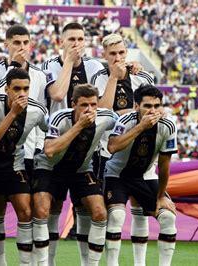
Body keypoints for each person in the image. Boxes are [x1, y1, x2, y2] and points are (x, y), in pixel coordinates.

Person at [40, 22, 106, 264]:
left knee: (88, 209)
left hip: (87, 150)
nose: (76, 44)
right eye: (71, 39)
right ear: (61, 42)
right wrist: (68, 61)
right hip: (58, 143)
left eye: (80, 39)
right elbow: (57, 94)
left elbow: (105, 102)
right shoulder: (50, 65)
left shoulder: (95, 66)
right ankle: (50, 262)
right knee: (52, 209)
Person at [32, 84, 117, 266]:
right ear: (73, 104)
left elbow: (126, 121)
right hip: (50, 168)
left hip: (81, 169)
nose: (90, 109)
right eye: (84, 105)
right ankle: (44, 263)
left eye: (93, 105)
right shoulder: (59, 118)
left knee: (100, 212)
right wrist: (79, 126)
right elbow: (49, 150)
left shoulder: (106, 117)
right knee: (43, 211)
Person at [0, 68, 49, 266]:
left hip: (15, 164)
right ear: (6, 89)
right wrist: (13, 113)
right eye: (16, 89)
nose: (22, 93)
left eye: (26, 88)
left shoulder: (37, 110)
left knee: (25, 212)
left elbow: (51, 129)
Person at [0, 24, 47, 265]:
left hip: (30, 150)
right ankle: (1, 261)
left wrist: (42, 145)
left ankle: (30, 261)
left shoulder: (40, 75)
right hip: (1, 150)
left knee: (28, 209)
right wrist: (12, 68)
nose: (21, 47)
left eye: (25, 43)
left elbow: (42, 112)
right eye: (16, 43)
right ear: (7, 45)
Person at [91, 33, 154, 262]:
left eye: (121, 53)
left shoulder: (142, 76)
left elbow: (152, 111)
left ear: (126, 53)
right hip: (108, 152)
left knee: (141, 210)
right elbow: (102, 113)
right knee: (113, 214)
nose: (117, 57)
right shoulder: (99, 77)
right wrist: (113, 79)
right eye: (112, 54)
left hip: (139, 153)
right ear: (104, 55)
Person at [105, 84, 177, 266]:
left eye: (157, 106)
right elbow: (112, 146)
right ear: (137, 106)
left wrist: (161, 197)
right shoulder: (126, 121)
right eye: (147, 106)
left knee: (168, 217)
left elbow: (165, 166)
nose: (153, 111)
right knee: (116, 217)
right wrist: (141, 127)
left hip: (145, 175)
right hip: (117, 175)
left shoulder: (167, 126)